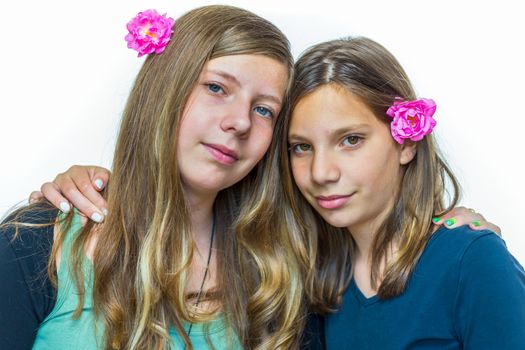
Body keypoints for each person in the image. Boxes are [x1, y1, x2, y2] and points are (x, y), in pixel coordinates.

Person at [0, 5, 305, 349]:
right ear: (165, 87)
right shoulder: (37, 241)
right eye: (217, 88)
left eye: (264, 109)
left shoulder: (276, 274)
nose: (241, 122)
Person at [280, 37, 525, 348]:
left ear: (406, 143)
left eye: (351, 140)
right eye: (302, 147)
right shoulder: (314, 277)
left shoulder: (473, 261)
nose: (321, 172)